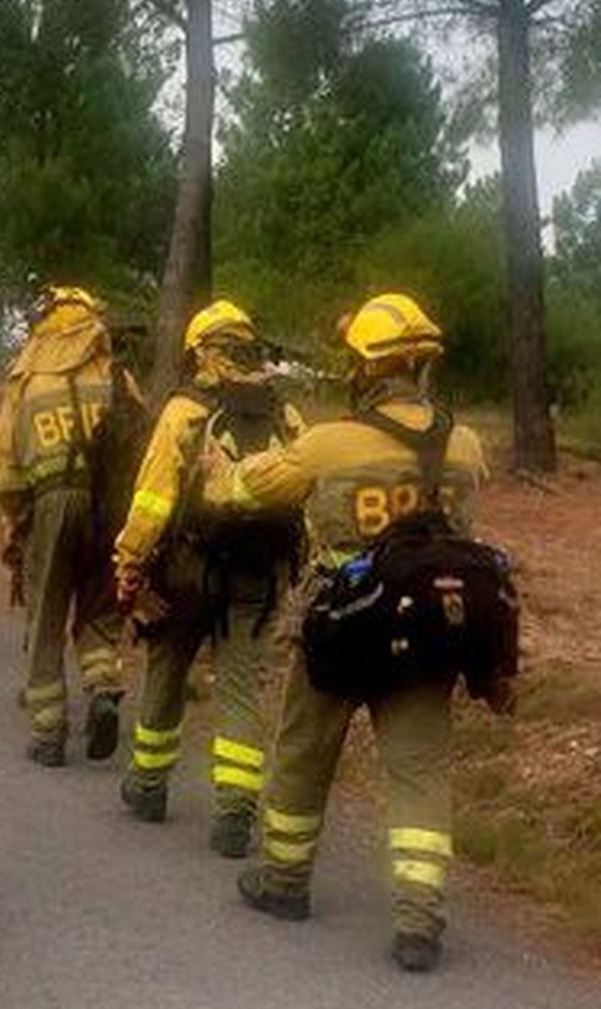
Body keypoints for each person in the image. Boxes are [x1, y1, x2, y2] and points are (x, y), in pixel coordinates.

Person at [202, 293, 500, 972]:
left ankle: (283, 881)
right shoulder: (466, 444)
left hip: (341, 620)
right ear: (420, 367)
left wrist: (220, 476)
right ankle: (419, 921)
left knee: (305, 749)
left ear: (365, 367)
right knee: (420, 770)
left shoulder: (330, 442)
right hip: (428, 625)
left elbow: (251, 490)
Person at [113, 301, 304, 856]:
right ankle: (235, 813)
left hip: (187, 569)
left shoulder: (185, 411)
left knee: (168, 667)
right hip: (258, 573)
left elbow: (152, 499)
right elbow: (304, 493)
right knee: (241, 690)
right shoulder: (286, 415)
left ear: (202, 351)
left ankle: (148, 785)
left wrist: (129, 564)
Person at [0, 285, 138, 767]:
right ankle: (102, 687)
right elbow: (143, 443)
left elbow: (5, 463)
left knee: (47, 612)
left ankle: (49, 731)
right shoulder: (116, 376)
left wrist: (15, 517)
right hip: (110, 508)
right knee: (100, 608)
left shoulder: (27, 381)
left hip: (50, 505)